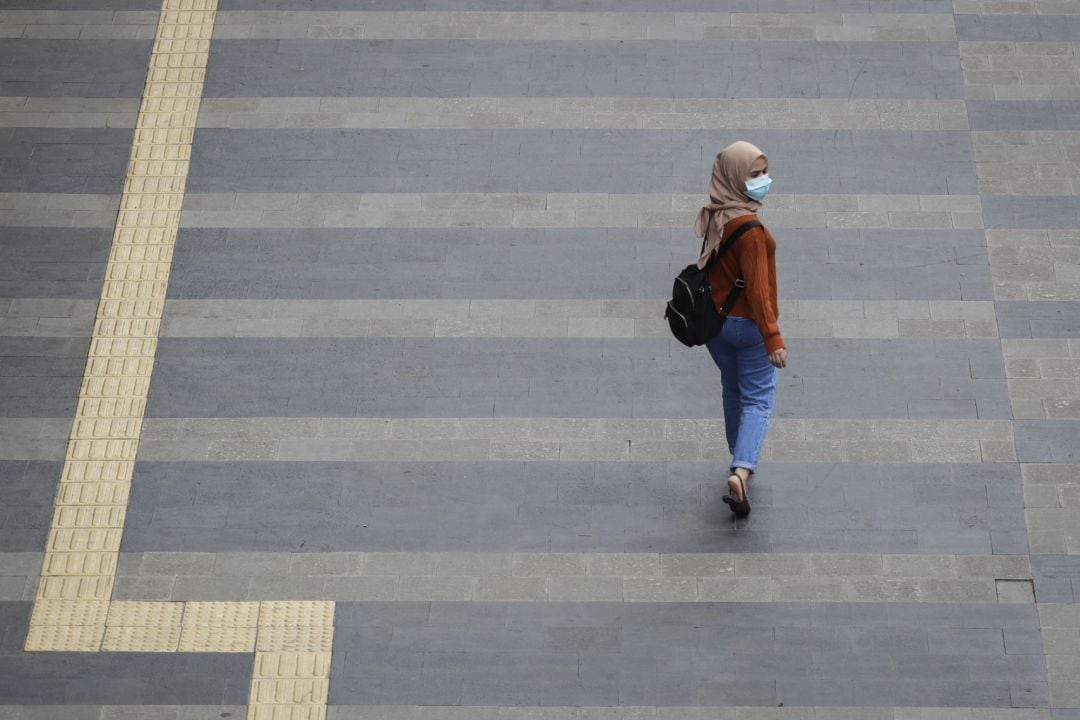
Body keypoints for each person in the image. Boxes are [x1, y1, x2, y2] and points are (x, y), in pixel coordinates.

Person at [693, 141, 787, 518]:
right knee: (759, 399)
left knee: (733, 390)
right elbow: (759, 290)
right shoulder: (751, 231)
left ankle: (738, 457)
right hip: (748, 328)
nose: (763, 181)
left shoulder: (720, 212)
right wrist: (773, 338)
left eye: (763, 172)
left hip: (716, 326)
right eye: (754, 175)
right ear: (736, 178)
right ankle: (742, 470)